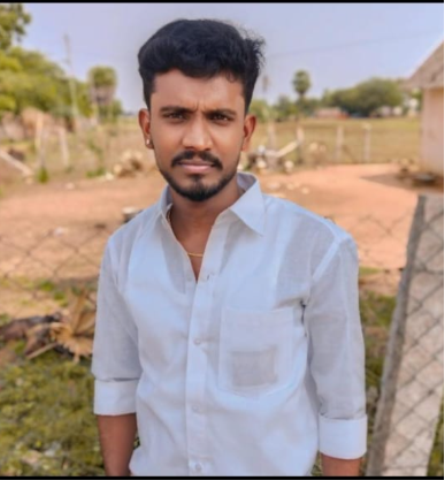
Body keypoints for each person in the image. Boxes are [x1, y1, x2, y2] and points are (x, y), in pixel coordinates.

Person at [91, 18, 367, 477]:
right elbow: (117, 382)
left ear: (246, 130)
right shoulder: (124, 251)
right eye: (176, 115)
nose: (197, 140)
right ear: (147, 126)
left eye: (219, 118)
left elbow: (342, 407)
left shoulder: (316, 249)